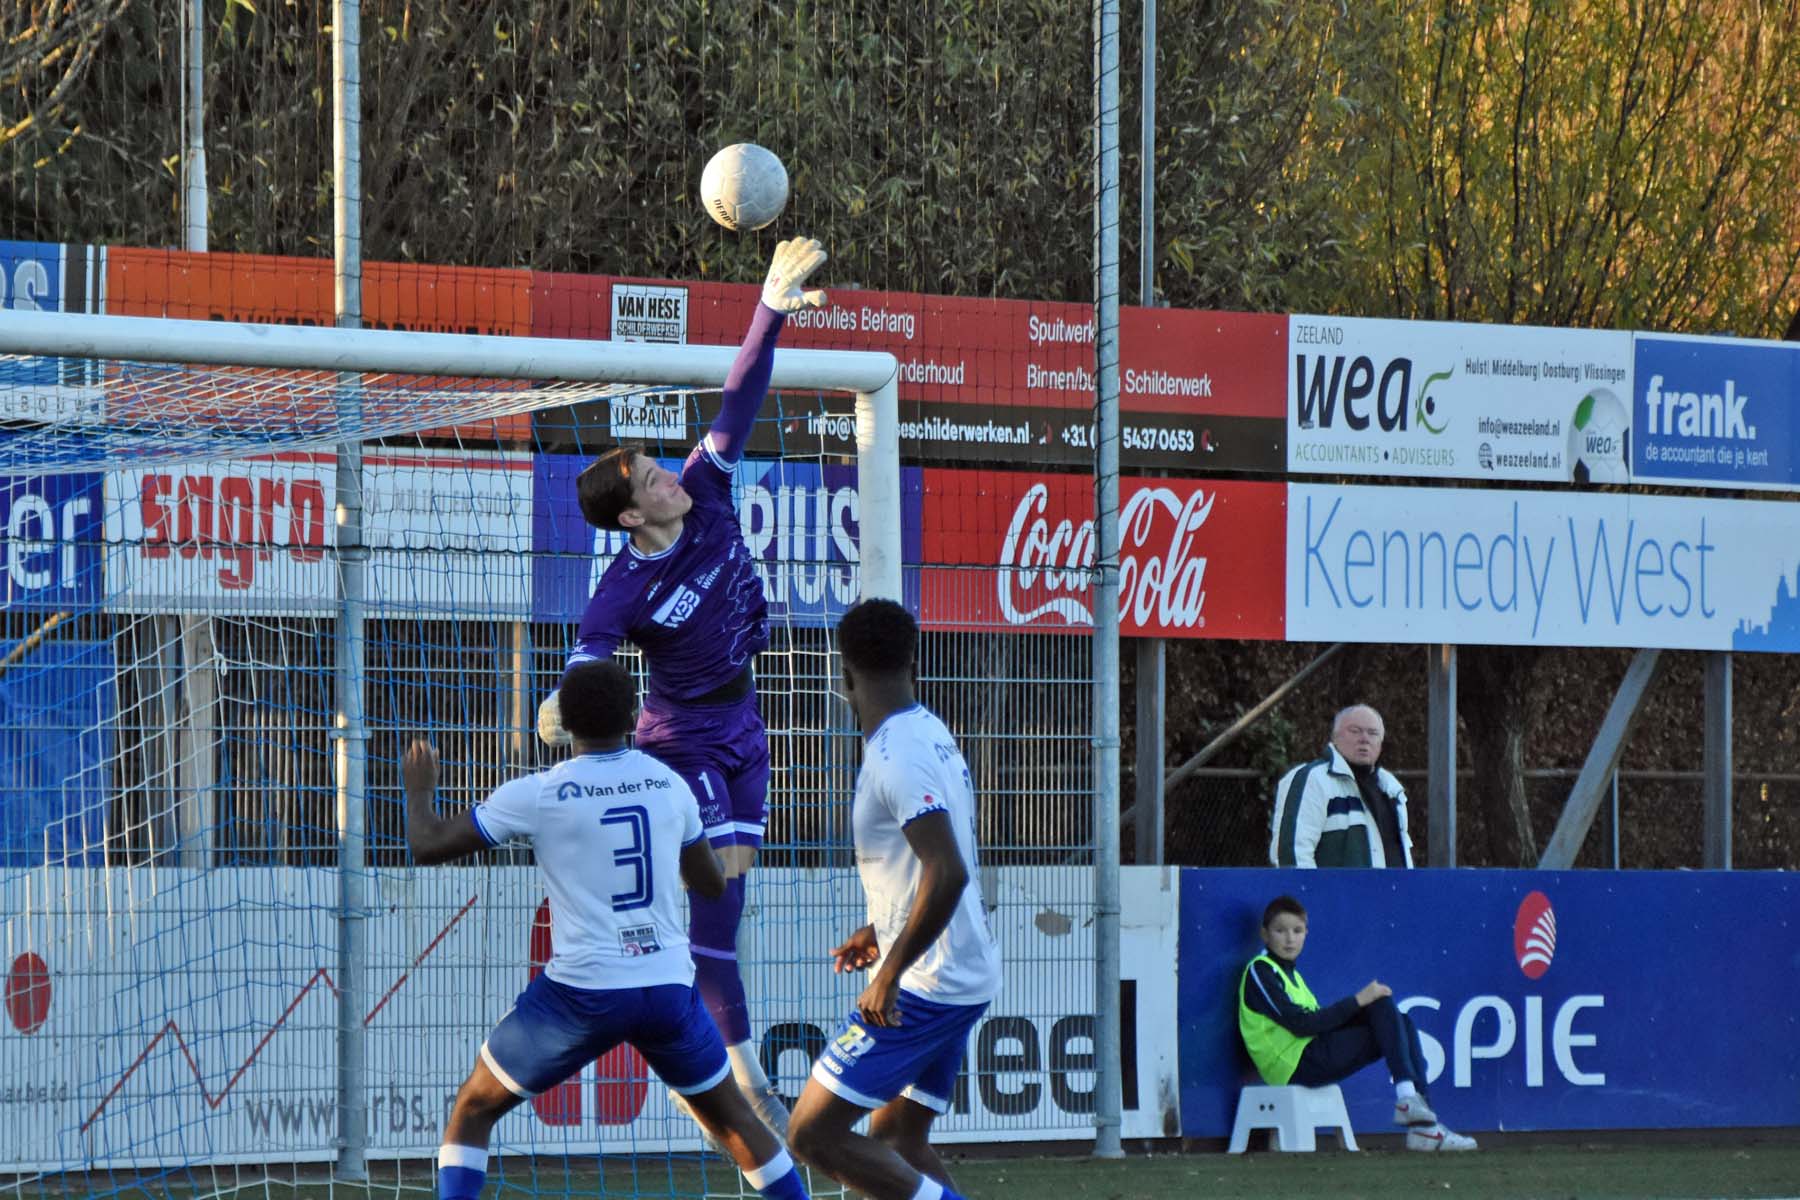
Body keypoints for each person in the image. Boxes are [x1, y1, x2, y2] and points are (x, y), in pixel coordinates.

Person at [534, 236, 830, 1135]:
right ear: (632, 514)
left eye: (666, 465)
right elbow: (589, 660)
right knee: (719, 908)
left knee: (726, 902)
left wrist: (769, 307)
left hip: (746, 727)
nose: (675, 472)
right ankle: (739, 1080)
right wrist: (562, 701)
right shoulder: (622, 589)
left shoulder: (708, 492)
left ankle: (695, 1043)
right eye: (656, 477)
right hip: (683, 741)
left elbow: (740, 397)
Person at [406, 661, 812, 1200]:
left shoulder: (542, 792)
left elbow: (428, 845)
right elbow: (712, 885)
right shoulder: (669, 785)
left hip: (583, 994)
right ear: (632, 718)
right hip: (666, 990)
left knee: (474, 1108)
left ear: (566, 723)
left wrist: (418, 790)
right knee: (738, 1123)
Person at [785, 598, 1001, 1200]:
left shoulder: (897, 754)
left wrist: (890, 972)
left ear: (843, 675)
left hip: (928, 984)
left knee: (811, 1134)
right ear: (914, 663)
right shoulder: (926, 730)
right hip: (958, 969)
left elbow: (948, 871)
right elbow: (927, 864)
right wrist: (881, 929)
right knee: (898, 1141)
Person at [1239, 894, 1477, 1152]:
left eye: (1297, 931)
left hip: (1312, 1055)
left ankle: (1418, 1115)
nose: (1289, 938)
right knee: (1380, 1010)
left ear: (1306, 933)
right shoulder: (1260, 971)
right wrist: (1357, 1001)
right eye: (1280, 931)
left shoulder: (1293, 975)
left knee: (1397, 1017)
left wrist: (1365, 1003)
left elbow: (1317, 1023)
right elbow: (1301, 1025)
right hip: (1292, 1066)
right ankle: (1414, 1112)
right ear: (1265, 934)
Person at [1269, 704, 1413, 868]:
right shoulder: (1313, 780)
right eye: (1355, 731)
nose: (1364, 739)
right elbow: (1293, 855)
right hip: (1331, 886)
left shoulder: (1391, 789)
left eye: (1373, 733)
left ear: (1381, 743)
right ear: (1335, 738)